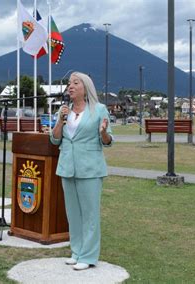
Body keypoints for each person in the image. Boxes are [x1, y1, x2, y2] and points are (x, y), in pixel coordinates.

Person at [50, 72, 113, 271]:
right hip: (67, 166)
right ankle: (76, 251)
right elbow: (55, 139)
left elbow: (108, 141)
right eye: (69, 83)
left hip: (90, 168)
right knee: (73, 213)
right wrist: (60, 121)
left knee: (90, 214)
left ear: (86, 87)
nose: (71, 86)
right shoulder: (64, 110)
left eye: (75, 83)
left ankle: (88, 255)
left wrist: (103, 132)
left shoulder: (99, 109)